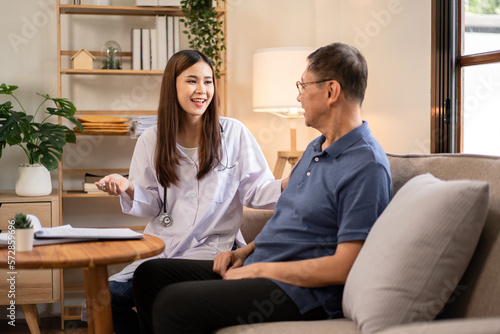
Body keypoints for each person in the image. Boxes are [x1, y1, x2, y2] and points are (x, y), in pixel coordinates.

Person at [132, 42, 393, 334]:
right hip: (259, 266)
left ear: (331, 91)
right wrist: (244, 253)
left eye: (303, 85)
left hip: (297, 291)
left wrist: (259, 269)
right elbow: (287, 217)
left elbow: (345, 266)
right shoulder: (316, 147)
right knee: (148, 275)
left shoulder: (366, 166)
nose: (298, 96)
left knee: (172, 303)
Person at [93, 50, 282, 334]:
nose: (202, 90)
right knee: (104, 301)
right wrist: (129, 187)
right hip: (165, 248)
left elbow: (257, 191)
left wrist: (286, 184)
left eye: (208, 82)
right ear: (173, 86)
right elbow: (151, 205)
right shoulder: (152, 139)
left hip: (213, 250)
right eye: (192, 81)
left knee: (150, 283)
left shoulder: (233, 133)